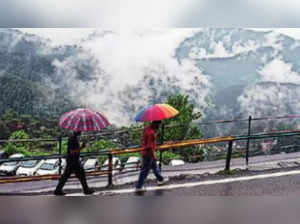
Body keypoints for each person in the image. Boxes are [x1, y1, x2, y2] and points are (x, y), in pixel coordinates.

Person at [54, 131, 94, 196]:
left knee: (66, 176)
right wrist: (82, 147)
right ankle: (86, 190)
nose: (80, 131)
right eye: (79, 130)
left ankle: (57, 190)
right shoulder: (72, 139)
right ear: (76, 131)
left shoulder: (74, 138)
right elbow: (72, 151)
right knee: (81, 174)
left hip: (72, 160)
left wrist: (82, 145)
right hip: (73, 161)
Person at [135, 120, 167, 192]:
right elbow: (150, 146)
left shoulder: (147, 129)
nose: (158, 126)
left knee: (155, 167)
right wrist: (153, 155)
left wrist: (156, 136)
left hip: (145, 152)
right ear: (155, 123)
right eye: (158, 124)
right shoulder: (151, 133)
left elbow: (147, 140)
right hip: (148, 154)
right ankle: (139, 186)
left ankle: (160, 179)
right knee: (145, 170)